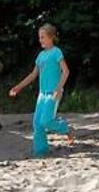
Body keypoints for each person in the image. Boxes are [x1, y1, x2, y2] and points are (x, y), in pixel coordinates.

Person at [8, 22, 71, 156]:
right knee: (37, 123)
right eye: (39, 37)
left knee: (46, 120)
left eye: (43, 37)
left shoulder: (56, 52)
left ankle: (66, 129)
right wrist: (18, 87)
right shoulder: (41, 56)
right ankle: (40, 151)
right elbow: (33, 75)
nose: (40, 40)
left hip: (53, 93)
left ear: (51, 37)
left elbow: (66, 71)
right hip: (42, 94)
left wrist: (58, 88)